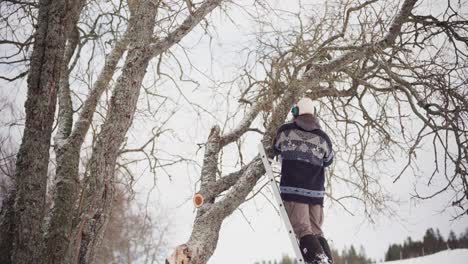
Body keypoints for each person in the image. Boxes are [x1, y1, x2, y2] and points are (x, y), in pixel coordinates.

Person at [272, 97, 334, 264]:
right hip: (316, 194)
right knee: (317, 231)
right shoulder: (323, 138)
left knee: (303, 231)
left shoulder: (285, 132)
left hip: (294, 192)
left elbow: (275, 147)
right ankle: (327, 260)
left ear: (296, 112)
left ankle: (318, 260)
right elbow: (329, 160)